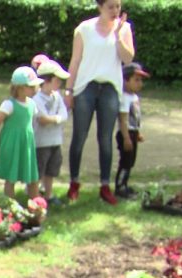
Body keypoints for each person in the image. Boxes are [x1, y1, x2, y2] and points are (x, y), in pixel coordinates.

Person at [63, 0, 135, 205]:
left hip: (110, 89)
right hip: (86, 87)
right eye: (110, 7)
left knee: (105, 138)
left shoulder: (124, 29)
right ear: (100, 7)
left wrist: (118, 36)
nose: (115, 11)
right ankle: (74, 183)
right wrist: (68, 90)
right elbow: (75, 60)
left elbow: (128, 59)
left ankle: (105, 186)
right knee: (79, 136)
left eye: (118, 6)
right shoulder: (84, 29)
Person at [0, 66, 44, 199]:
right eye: (31, 87)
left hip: (26, 144)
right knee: (11, 176)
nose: (35, 89)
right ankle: (10, 204)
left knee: (32, 175)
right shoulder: (9, 104)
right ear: (20, 88)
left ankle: (36, 204)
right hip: (12, 143)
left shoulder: (32, 104)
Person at [32, 59, 70, 205]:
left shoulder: (57, 96)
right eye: (57, 79)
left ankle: (48, 195)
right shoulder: (37, 99)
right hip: (41, 142)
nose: (60, 83)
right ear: (47, 80)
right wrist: (56, 119)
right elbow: (42, 119)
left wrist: (54, 119)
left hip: (55, 140)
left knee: (52, 170)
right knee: (39, 170)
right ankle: (35, 197)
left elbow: (64, 114)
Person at [114, 63, 149, 199]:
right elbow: (123, 120)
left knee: (131, 161)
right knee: (125, 161)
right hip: (126, 133)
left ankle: (125, 184)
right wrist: (126, 137)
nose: (140, 84)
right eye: (136, 80)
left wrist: (137, 133)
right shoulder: (124, 98)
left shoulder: (134, 97)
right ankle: (120, 186)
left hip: (133, 132)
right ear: (125, 81)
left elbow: (135, 118)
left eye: (141, 80)